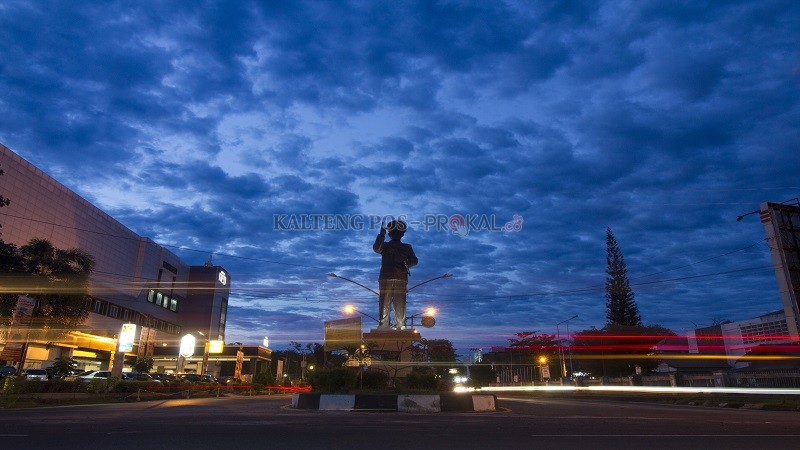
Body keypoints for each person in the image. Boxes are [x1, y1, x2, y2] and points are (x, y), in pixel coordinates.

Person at [372, 220, 418, 329]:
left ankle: (401, 325)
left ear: (402, 234)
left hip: (401, 277)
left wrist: (409, 263)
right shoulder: (385, 245)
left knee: (400, 302)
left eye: (398, 233)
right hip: (385, 277)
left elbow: (415, 260)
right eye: (393, 233)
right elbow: (376, 248)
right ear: (389, 234)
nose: (396, 235)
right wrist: (381, 234)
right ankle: (383, 325)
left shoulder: (407, 247)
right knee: (384, 302)